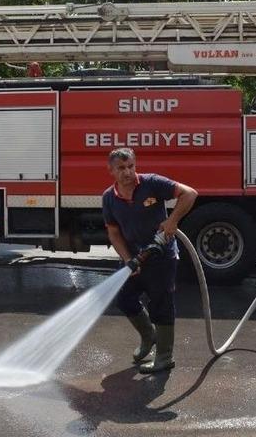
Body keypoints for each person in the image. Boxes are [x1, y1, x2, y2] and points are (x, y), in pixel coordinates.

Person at [102, 148, 198, 373]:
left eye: (131, 166)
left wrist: (172, 221)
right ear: (111, 171)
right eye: (121, 168)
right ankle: (149, 337)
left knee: (160, 304)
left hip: (161, 257)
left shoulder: (152, 183)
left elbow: (190, 194)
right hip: (135, 258)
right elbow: (114, 232)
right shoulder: (109, 197)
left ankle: (164, 357)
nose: (128, 172)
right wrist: (127, 259)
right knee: (125, 299)